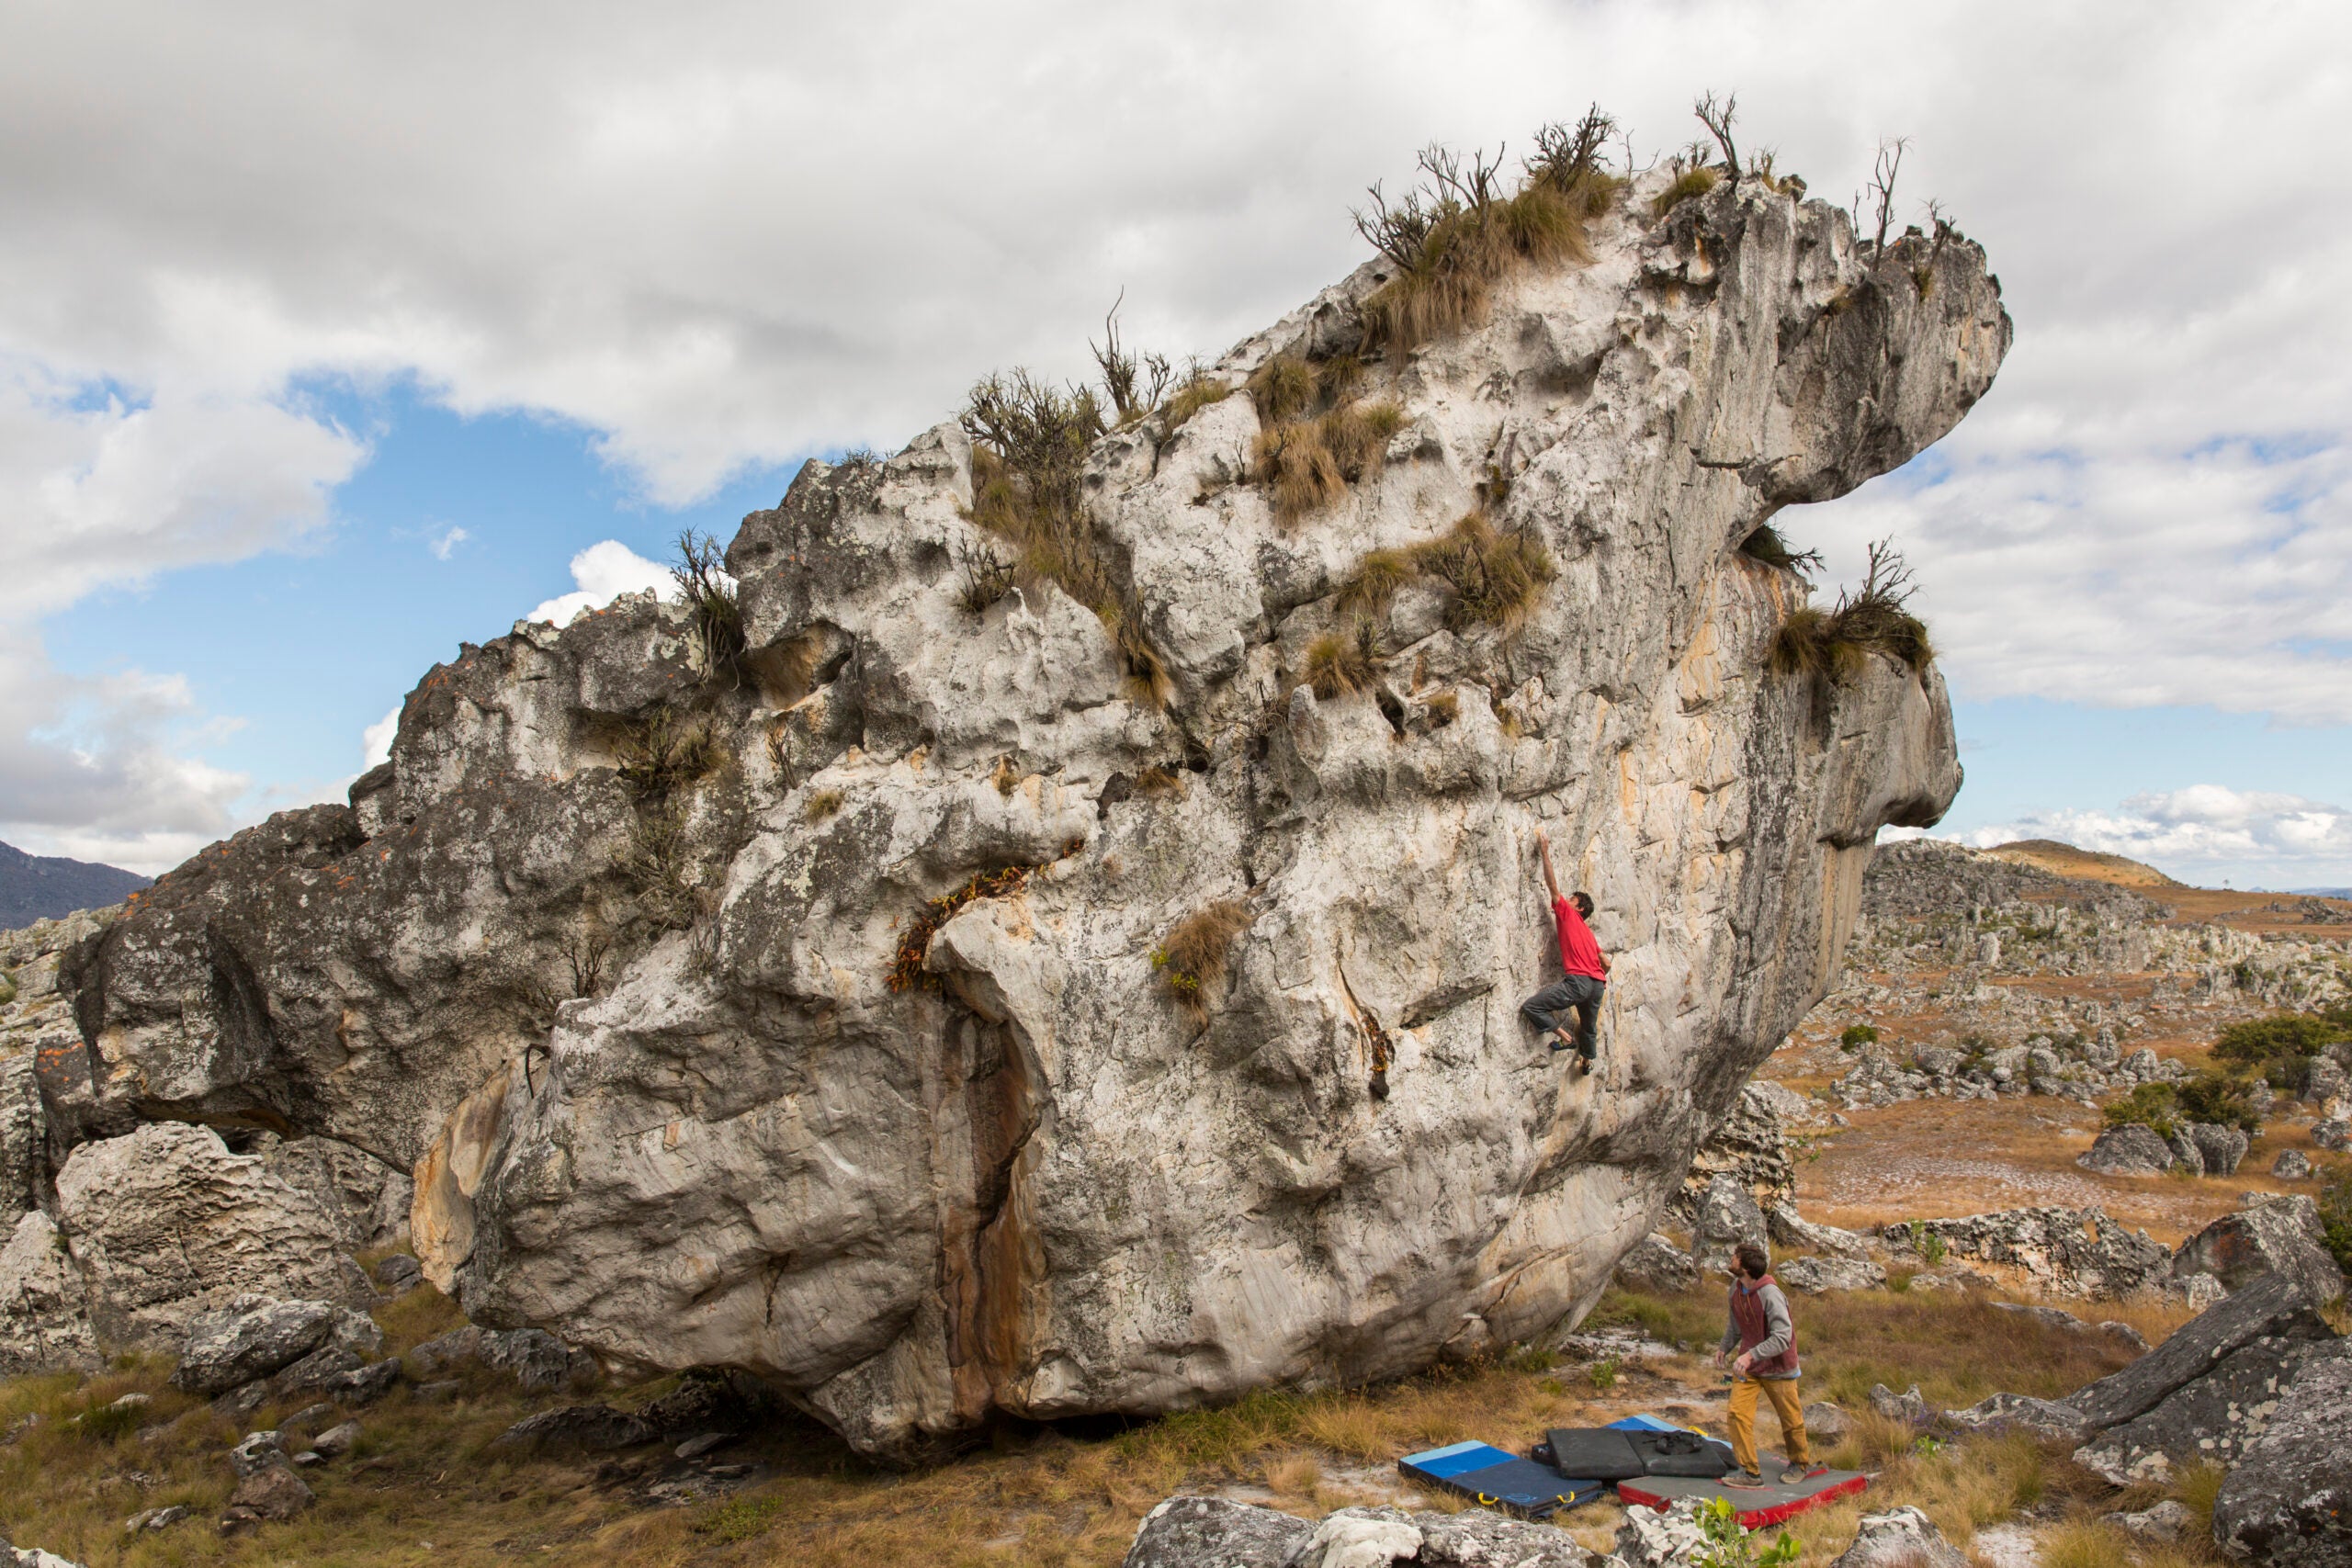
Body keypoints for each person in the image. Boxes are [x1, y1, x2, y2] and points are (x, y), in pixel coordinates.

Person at [1714, 1242, 1814, 1487]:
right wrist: (1724, 1347)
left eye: (1735, 1257)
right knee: (1737, 1415)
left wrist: (1750, 1355)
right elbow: (1736, 1325)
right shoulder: (1735, 1289)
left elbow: (1783, 1337)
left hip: (1779, 1368)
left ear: (1745, 1267)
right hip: (1749, 1368)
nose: (1731, 1259)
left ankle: (1799, 1463)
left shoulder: (1770, 1294)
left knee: (1790, 1419)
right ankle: (1750, 1473)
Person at [1519, 827, 1608, 1072]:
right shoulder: (1589, 935)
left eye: (1573, 900)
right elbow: (1607, 964)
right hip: (1597, 984)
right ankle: (1587, 1060)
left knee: (1532, 1006)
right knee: (1589, 1025)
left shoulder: (1568, 915)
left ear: (1578, 909)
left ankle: (1566, 1038)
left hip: (1578, 982)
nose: (1567, 901)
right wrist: (1595, 977)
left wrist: (1545, 853)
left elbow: (1552, 886)